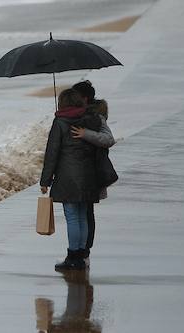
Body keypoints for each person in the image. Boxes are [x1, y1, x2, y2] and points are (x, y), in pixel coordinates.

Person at [40, 88, 103, 271]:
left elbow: (52, 153)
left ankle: (73, 256)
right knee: (82, 215)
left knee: (72, 217)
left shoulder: (60, 122)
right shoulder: (91, 120)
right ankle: (81, 255)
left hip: (68, 177)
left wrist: (45, 180)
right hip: (89, 175)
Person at [70, 81, 115, 265]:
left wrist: (86, 133)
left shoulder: (97, 117)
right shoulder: (73, 114)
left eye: (75, 95)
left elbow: (109, 139)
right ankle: (79, 251)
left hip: (92, 173)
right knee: (80, 213)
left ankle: (85, 252)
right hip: (76, 173)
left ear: (85, 98)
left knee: (87, 212)